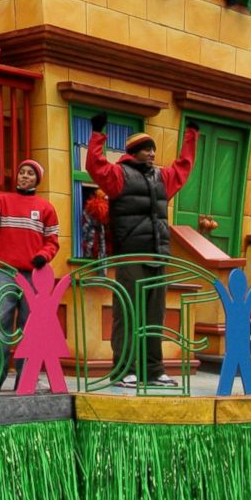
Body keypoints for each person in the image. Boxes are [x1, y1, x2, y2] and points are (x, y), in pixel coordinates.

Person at [85, 116, 200, 388]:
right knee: (127, 314)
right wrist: (97, 133)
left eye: (153, 149)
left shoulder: (162, 177)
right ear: (133, 152)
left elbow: (184, 166)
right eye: (147, 148)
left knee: (153, 317)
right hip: (131, 256)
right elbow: (94, 166)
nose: (152, 153)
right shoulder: (119, 175)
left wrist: (192, 134)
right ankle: (124, 369)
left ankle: (153, 370)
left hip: (158, 256)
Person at [0, 159, 60, 391]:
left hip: (33, 276)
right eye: (22, 172)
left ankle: (26, 378)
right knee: (0, 324)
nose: (24, 176)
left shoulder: (46, 208)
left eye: (30, 173)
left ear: (37, 179)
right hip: (6, 272)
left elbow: (53, 242)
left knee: (30, 329)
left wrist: (44, 255)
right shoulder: (2, 201)